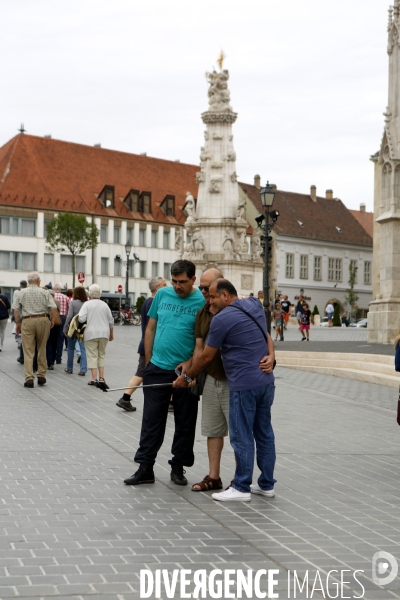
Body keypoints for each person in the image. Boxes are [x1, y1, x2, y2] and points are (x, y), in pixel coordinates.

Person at [174, 278, 276, 502]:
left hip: (243, 384)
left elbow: (207, 356)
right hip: (266, 382)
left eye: (212, 296)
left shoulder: (222, 319)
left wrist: (187, 376)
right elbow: (266, 335)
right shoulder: (253, 305)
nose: (209, 300)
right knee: (264, 433)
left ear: (225, 295)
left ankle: (241, 487)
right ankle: (266, 484)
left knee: (241, 436)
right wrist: (272, 354)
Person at [124, 260, 205, 487]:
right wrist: (149, 363)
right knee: (151, 420)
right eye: (174, 281)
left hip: (185, 370)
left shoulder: (201, 301)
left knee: (185, 421)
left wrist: (191, 366)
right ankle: (145, 467)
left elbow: (203, 341)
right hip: (157, 368)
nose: (178, 286)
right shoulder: (162, 296)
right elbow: (150, 328)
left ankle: (178, 467)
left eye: (182, 282)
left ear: (193, 280)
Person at [190, 267, 230, 493]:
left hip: (233, 380)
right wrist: (194, 374)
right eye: (201, 288)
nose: (204, 292)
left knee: (238, 431)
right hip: (212, 377)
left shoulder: (235, 309)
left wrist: (271, 356)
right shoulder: (203, 312)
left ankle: (240, 478)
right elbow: (199, 349)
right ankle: (213, 476)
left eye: (207, 288)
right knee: (213, 430)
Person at [116, 276, 167, 412]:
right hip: (149, 344)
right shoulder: (153, 302)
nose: (167, 286)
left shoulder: (147, 302)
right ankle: (125, 398)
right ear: (156, 287)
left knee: (148, 372)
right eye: (164, 284)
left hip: (146, 342)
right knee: (141, 373)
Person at [12, 271, 57, 388]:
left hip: (27, 320)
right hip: (43, 319)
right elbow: (52, 308)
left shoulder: (22, 292)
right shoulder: (45, 292)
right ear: (38, 281)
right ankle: (41, 375)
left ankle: (29, 378)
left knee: (28, 350)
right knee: (42, 348)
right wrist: (51, 319)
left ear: (28, 281)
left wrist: (17, 323)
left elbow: (16, 310)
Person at [78, 284, 114, 388]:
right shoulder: (105, 305)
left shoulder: (87, 305)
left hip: (90, 333)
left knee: (92, 355)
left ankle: (94, 378)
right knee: (101, 354)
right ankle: (102, 377)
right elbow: (111, 320)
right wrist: (111, 333)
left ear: (89, 293)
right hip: (104, 333)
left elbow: (81, 319)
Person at [63, 286, 88, 376]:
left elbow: (69, 316)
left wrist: (65, 327)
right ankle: (83, 369)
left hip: (73, 327)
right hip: (83, 328)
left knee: (70, 348)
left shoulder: (72, 303)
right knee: (83, 348)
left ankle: (69, 368)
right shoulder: (86, 303)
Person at [53, 283, 70, 364]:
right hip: (63, 317)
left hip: (53, 317)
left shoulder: (52, 297)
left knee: (52, 338)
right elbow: (69, 308)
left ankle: (51, 356)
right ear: (60, 289)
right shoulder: (65, 297)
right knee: (60, 338)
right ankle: (58, 358)